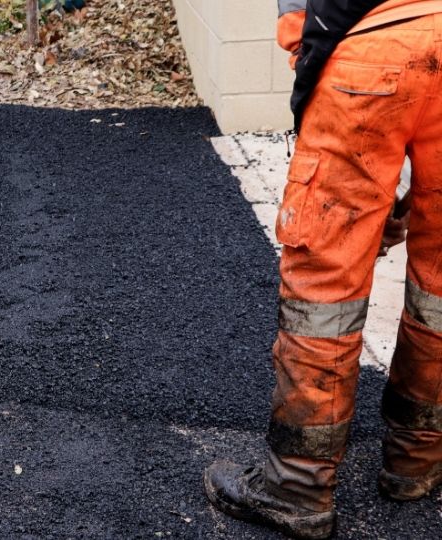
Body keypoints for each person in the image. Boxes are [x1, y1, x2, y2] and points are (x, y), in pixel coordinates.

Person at [203, 1, 442, 538]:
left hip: (369, 51)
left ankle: (297, 486)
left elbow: (308, 29)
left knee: (325, 288)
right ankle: (416, 459)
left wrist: (365, 194)